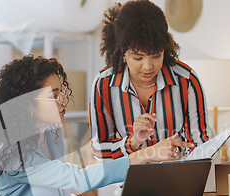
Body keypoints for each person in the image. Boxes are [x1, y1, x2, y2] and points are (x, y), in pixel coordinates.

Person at [0, 55, 189, 196]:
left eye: (62, 94)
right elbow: (78, 179)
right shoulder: (12, 151)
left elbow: (56, 194)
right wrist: (147, 153)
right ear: (27, 105)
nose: (63, 102)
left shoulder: (44, 139)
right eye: (53, 96)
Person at [90, 0, 212, 162]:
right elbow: (98, 149)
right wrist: (134, 142)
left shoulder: (186, 80)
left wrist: (177, 151)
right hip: (130, 177)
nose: (148, 66)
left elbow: (201, 143)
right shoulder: (103, 84)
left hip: (178, 174)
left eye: (156, 55)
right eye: (138, 57)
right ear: (122, 52)